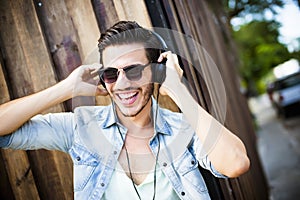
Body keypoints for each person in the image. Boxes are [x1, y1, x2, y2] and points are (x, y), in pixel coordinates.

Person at [0, 21, 250, 199]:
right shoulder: (80, 127)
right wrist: (67, 89)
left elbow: (236, 164)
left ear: (156, 71)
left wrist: (178, 90)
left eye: (134, 70)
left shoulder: (183, 129)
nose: (122, 84)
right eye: (110, 73)